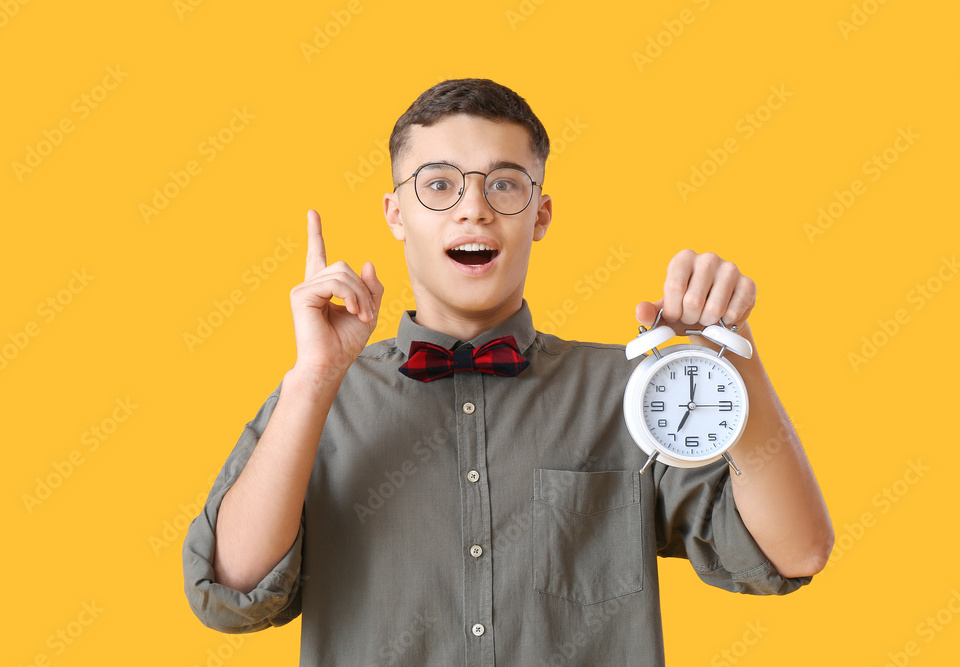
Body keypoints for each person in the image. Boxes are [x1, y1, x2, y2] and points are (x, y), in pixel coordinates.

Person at [182, 78, 833, 666]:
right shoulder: (321, 400)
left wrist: (728, 361)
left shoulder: (633, 391)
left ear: (539, 214)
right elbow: (232, 590)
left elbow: (793, 552)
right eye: (439, 183)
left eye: (504, 183)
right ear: (396, 215)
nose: (474, 208)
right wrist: (313, 378)